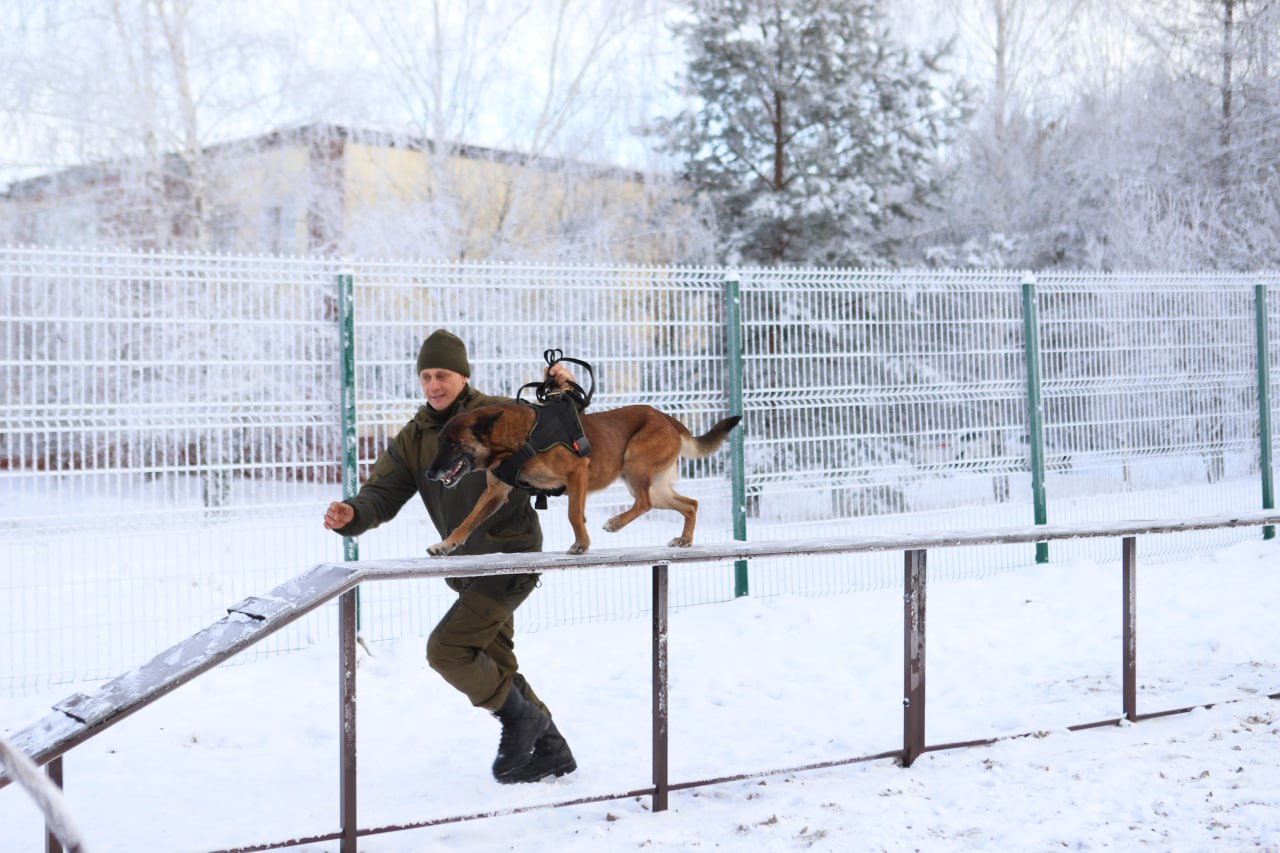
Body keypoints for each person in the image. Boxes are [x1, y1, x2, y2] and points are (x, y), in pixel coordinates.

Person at [323, 329, 577, 784]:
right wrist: (353, 513)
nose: (432, 385)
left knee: (449, 650)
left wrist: (563, 388)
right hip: (465, 569)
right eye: (425, 376)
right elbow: (383, 491)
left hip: (509, 558)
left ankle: (524, 723)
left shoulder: (499, 415)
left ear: (462, 376)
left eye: (441, 375)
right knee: (495, 667)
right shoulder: (415, 437)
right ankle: (551, 751)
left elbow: (564, 430)